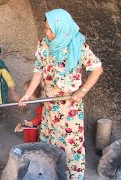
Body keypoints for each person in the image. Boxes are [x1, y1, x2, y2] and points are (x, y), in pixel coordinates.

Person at [18, 9, 103, 179]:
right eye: (46, 28)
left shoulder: (77, 45)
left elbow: (97, 69)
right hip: (50, 105)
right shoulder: (43, 44)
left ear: (62, 29)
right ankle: (50, 174)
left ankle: (71, 177)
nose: (47, 33)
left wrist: (82, 91)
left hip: (70, 106)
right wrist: (27, 94)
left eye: (51, 30)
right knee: (49, 142)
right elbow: (38, 71)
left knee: (70, 147)